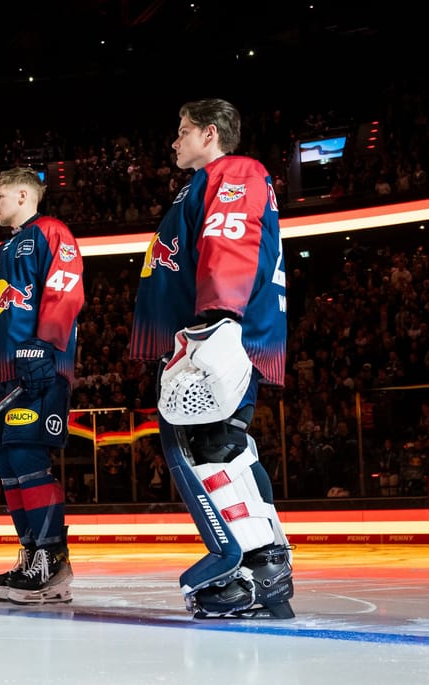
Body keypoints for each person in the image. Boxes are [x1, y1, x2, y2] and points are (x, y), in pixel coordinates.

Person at [129, 98, 294, 620]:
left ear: (208, 133)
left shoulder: (234, 171)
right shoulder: (199, 185)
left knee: (215, 443)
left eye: (181, 131)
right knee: (221, 442)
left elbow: (231, 239)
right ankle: (266, 564)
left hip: (221, 332)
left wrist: (218, 319)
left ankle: (248, 570)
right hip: (203, 332)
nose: (175, 141)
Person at [0, 166, 85, 605]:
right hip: (1, 373)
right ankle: (32, 552)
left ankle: (52, 559)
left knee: (30, 460)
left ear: (21, 195)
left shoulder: (50, 231)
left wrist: (44, 345)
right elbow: (1, 313)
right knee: (10, 466)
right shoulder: (2, 249)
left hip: (37, 369)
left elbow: (65, 289)